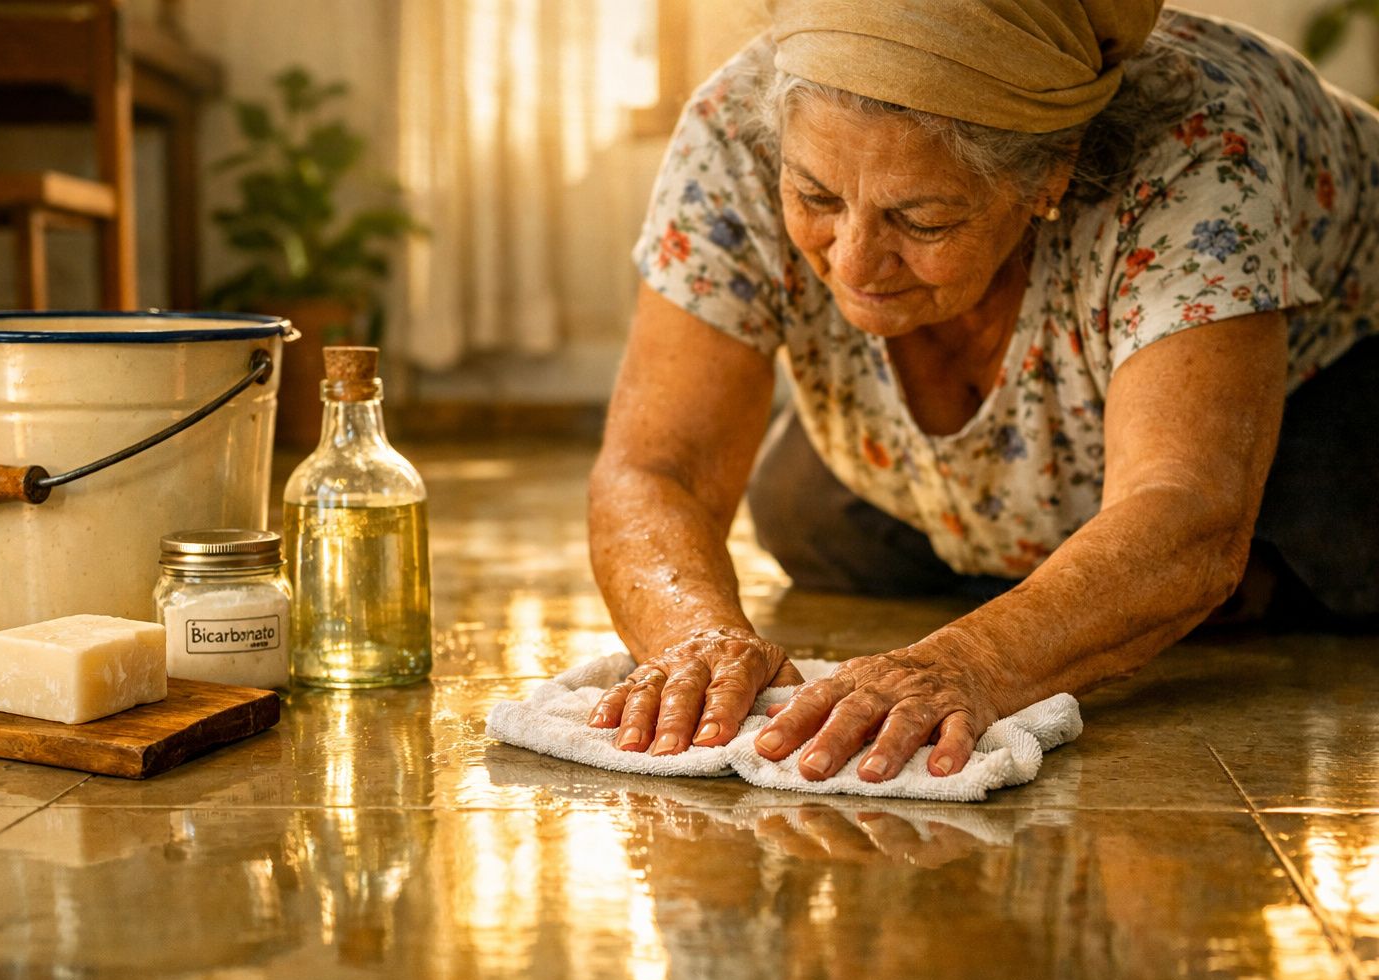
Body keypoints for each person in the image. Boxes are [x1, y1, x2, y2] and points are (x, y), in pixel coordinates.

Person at [585, 0, 1379, 784]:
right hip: (1024, 446)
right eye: (818, 199)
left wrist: (970, 659)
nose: (855, 265)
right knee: (809, 516)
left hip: (1335, 368)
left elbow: (1188, 506)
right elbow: (659, 465)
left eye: (922, 219)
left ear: (1050, 175)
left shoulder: (1199, 145)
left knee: (1337, 534)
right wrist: (698, 641)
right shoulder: (733, 125)